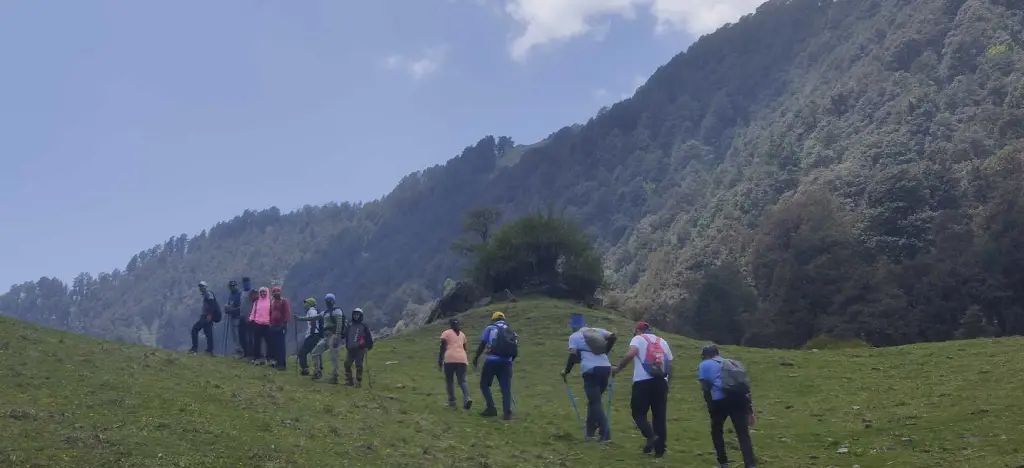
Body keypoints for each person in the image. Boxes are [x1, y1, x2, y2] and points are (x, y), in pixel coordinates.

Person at [612, 321, 673, 458]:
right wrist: (667, 382)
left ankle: (650, 436)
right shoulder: (662, 341)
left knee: (638, 412)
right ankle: (660, 451)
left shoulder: (638, 339)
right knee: (659, 416)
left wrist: (617, 368)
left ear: (638, 331)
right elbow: (669, 363)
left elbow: (630, 354)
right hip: (661, 382)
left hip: (642, 382)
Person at [699, 344, 757, 468]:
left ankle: (723, 462)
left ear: (705, 356)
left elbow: (706, 388)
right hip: (739, 400)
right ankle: (750, 464)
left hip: (720, 401)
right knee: (743, 434)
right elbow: (744, 387)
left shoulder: (704, 365)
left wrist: (711, 408)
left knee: (717, 431)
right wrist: (750, 410)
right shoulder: (731, 363)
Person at [561, 314, 616, 442]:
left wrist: (566, 371)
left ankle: (605, 433)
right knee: (594, 401)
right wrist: (605, 351)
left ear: (573, 327)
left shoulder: (574, 336)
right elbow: (612, 336)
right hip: (605, 368)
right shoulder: (597, 331)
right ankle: (590, 432)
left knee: (595, 402)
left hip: (591, 370)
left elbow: (573, 355)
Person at [472, 311, 517, 420]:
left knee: (484, 384)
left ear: (494, 319)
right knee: (506, 388)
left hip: (492, 360)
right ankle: (507, 413)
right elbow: (515, 350)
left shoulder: (490, 328)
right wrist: (510, 360)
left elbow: (482, 344)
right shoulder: (511, 331)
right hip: (507, 362)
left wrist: (476, 358)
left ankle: (491, 408)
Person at [302, 293, 346, 384]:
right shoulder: (325, 312)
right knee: (315, 352)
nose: (328, 302)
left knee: (333, 356)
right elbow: (312, 318)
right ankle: (317, 372)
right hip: (326, 336)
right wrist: (300, 319)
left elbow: (339, 324)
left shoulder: (337, 311)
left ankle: (335, 376)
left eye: (329, 301)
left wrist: (337, 335)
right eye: (327, 301)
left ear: (333, 301)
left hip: (333, 335)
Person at [438, 317, 472, 410]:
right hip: (462, 359)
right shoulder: (462, 334)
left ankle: (452, 402)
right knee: (462, 381)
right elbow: (465, 348)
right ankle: (467, 397)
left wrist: (440, 361)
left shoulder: (446, 333)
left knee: (450, 381)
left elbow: (443, 347)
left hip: (450, 358)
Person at [344, 308, 373, 387]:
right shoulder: (350, 325)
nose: (356, 316)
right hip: (350, 349)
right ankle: (349, 380)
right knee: (347, 364)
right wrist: (347, 345)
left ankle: (358, 381)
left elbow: (368, 338)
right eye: (354, 314)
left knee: (359, 365)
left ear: (360, 316)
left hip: (360, 349)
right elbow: (347, 336)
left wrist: (368, 346)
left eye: (358, 315)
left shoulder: (363, 326)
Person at [294, 297, 323, 376]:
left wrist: (311, 333)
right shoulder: (312, 311)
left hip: (312, 335)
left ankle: (306, 369)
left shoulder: (312, 311)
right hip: (314, 334)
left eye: (306, 303)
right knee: (315, 352)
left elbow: (313, 321)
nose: (304, 304)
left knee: (303, 352)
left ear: (309, 304)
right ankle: (318, 369)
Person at [189, 281, 218, 355]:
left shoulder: (208, 293)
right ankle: (209, 350)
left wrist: (210, 315)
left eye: (202, 286)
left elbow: (213, 304)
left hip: (206, 316)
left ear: (205, 287)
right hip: (205, 316)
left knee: (195, 329)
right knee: (207, 332)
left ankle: (195, 348)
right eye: (200, 286)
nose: (200, 288)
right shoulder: (205, 294)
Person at [268, 286, 291, 370]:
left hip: (281, 326)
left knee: (281, 345)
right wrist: (270, 323)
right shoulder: (273, 302)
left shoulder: (284, 301)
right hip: (273, 326)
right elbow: (270, 313)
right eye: (274, 291)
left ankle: (281, 364)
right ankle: (277, 362)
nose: (276, 293)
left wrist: (284, 324)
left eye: (277, 291)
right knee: (275, 345)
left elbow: (287, 312)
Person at [248, 287, 271, 365]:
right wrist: (251, 320)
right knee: (257, 342)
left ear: (267, 292)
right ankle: (257, 358)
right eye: (261, 292)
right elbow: (253, 312)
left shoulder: (270, 302)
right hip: (257, 324)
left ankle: (269, 358)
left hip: (267, 325)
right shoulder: (257, 302)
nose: (263, 294)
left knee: (269, 342)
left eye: (264, 292)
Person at [223, 280, 243, 356]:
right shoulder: (231, 295)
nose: (232, 288)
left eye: (233, 286)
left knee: (238, 335)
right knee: (234, 335)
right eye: (230, 286)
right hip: (232, 317)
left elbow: (241, 307)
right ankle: (237, 350)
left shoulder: (239, 294)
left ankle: (240, 351)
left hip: (237, 317)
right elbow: (230, 304)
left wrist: (231, 310)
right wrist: (227, 308)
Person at [238, 277, 254, 359]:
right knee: (242, 336)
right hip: (242, 316)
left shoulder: (253, 292)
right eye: (244, 282)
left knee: (250, 336)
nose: (245, 284)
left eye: (247, 282)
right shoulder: (242, 293)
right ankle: (245, 352)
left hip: (250, 317)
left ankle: (251, 354)